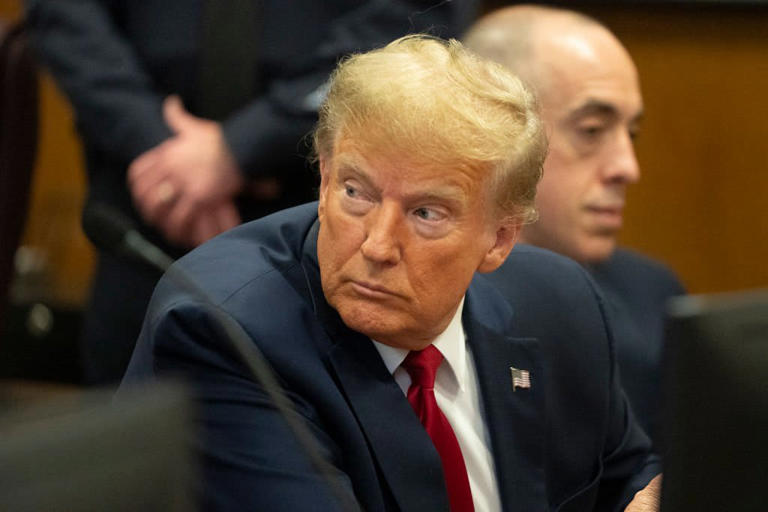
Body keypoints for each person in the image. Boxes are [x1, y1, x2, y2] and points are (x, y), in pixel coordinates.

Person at [122, 35, 660, 511]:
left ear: (499, 239)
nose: (377, 246)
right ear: (325, 179)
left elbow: (632, 479)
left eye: (427, 213)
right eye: (357, 193)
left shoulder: (559, 303)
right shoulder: (227, 332)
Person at [25, 0, 477, 385]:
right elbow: (66, 14)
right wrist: (154, 142)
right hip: (143, 202)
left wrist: (245, 145)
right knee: (132, 451)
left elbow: (417, 14)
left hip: (330, 206)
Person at [464, 5, 685, 445]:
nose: (627, 167)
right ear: (494, 132)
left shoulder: (653, 293)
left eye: (631, 134)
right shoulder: (425, 305)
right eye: (591, 130)